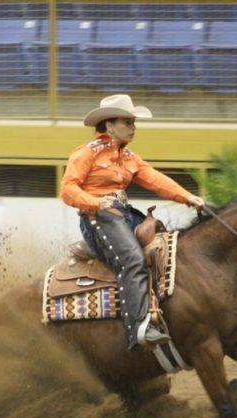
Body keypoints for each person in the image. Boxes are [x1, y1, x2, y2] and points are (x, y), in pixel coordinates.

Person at [61, 94, 205, 352]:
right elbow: (68, 189)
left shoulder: (128, 157)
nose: (133, 127)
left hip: (124, 215)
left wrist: (187, 197)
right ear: (108, 125)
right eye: (127, 122)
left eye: (133, 122)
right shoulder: (85, 153)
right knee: (133, 261)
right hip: (99, 219)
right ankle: (139, 328)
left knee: (163, 250)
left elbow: (154, 179)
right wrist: (96, 203)